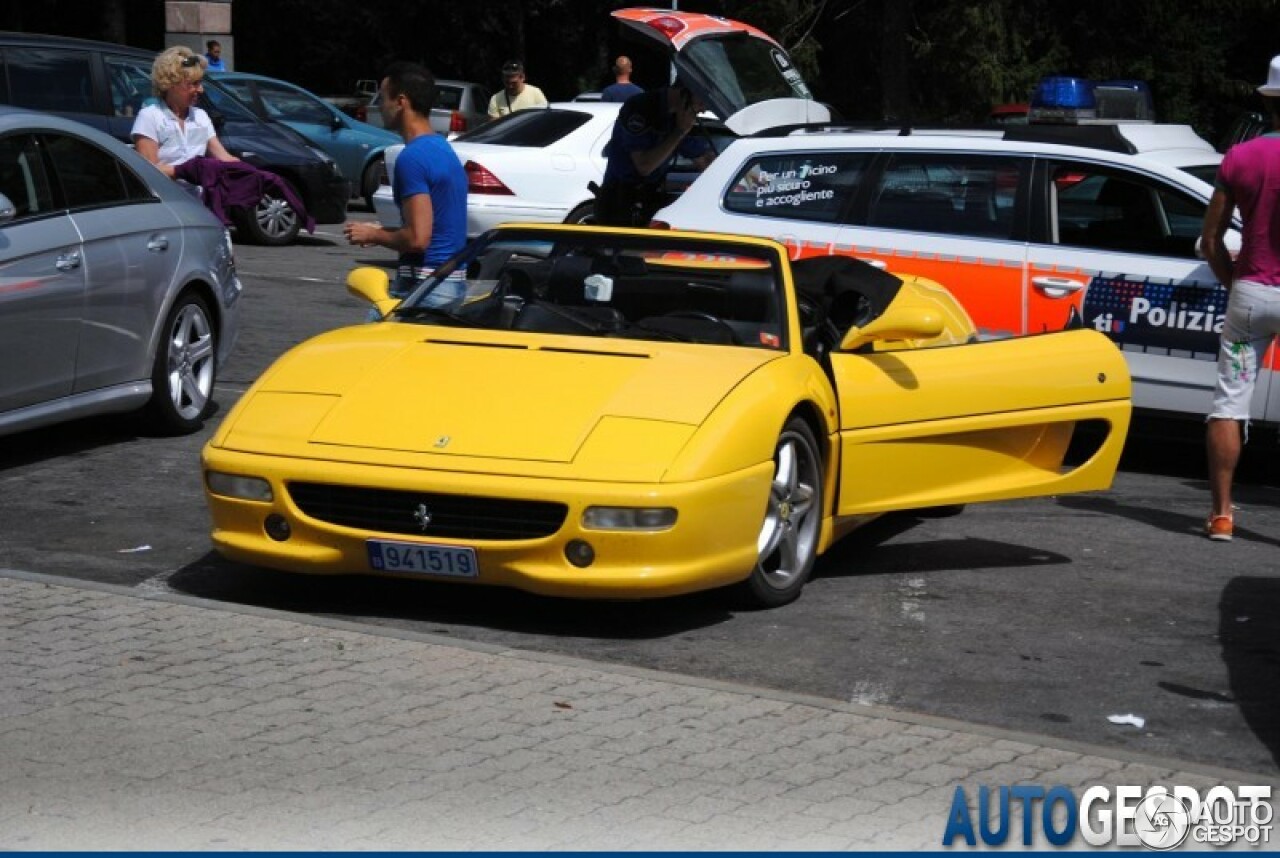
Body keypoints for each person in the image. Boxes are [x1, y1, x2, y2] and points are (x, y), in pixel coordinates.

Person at [1200, 54, 1280, 542]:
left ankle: (1223, 516)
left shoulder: (1241, 157)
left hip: (1251, 292)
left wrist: (1235, 284)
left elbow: (1211, 240)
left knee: (1229, 404)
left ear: (1270, 100)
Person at [345, 62, 468, 304]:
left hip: (423, 290)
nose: (380, 106)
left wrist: (374, 235)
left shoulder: (411, 158)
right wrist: (382, 230)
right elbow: (435, 227)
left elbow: (418, 239)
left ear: (401, 102)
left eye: (383, 98)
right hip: (449, 285)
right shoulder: (443, 149)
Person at [593, 80, 714, 227]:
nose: (703, 110)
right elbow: (644, 166)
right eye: (702, 102)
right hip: (619, 202)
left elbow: (703, 159)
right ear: (684, 93)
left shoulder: (677, 117)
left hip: (648, 199)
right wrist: (679, 132)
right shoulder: (641, 108)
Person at [131, 46, 237, 179]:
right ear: (171, 84)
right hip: (168, 197)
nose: (201, 90)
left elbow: (224, 157)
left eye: (200, 83)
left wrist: (252, 173)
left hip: (199, 198)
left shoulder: (200, 116)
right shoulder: (150, 116)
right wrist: (185, 171)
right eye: (194, 84)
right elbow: (148, 171)